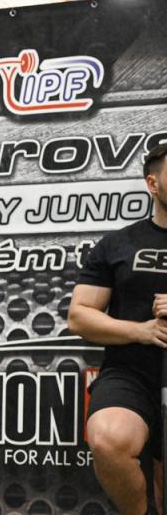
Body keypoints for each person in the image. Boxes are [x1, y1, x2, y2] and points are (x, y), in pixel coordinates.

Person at [68, 142, 167, 515]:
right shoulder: (118, 243)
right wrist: (141, 331)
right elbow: (80, 316)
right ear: (152, 184)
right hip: (131, 374)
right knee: (109, 438)